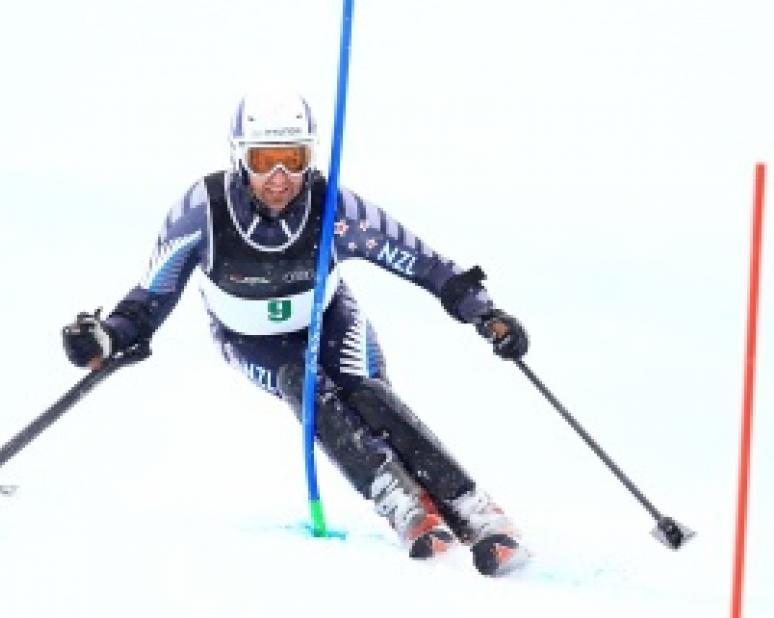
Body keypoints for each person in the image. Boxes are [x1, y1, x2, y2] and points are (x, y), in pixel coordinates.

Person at [61, 90, 531, 576]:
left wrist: (485, 315)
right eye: (264, 161)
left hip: (330, 321)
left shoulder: (334, 209)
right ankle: (403, 505)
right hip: (250, 340)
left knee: (365, 393)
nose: (280, 178)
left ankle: (474, 509)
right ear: (238, 158)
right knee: (303, 384)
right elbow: (149, 299)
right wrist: (106, 338)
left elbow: (426, 265)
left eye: (294, 158)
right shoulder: (203, 211)